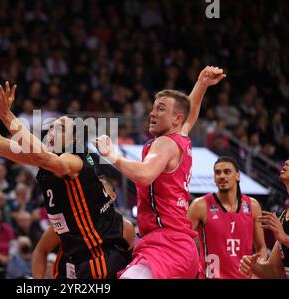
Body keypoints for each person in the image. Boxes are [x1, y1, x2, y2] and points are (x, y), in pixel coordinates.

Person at [0, 58, 134, 279]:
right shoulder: (44, 161)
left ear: (74, 141)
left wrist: (8, 117)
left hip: (97, 260)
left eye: (60, 129)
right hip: (72, 258)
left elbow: (42, 155)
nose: (51, 132)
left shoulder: (75, 161)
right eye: (51, 128)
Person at [95, 66, 226, 278]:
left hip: (166, 245)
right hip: (181, 247)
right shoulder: (180, 137)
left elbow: (145, 174)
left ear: (176, 119)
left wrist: (113, 156)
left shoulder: (164, 143)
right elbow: (188, 117)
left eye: (161, 109)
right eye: (154, 108)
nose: (152, 113)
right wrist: (201, 84)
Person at [187, 156, 267, 278]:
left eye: (227, 172)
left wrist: (258, 270)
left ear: (238, 176)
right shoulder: (200, 205)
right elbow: (182, 241)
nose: (222, 176)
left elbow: (261, 247)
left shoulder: (253, 206)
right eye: (217, 173)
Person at [32, 217, 136, 279]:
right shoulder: (66, 223)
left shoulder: (124, 227)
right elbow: (41, 250)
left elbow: (129, 265)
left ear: (112, 197)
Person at [239, 159, 289, 279]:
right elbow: (274, 270)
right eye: (286, 162)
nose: (286, 163)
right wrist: (253, 266)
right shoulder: (284, 215)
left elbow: (283, 237)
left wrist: (285, 238)